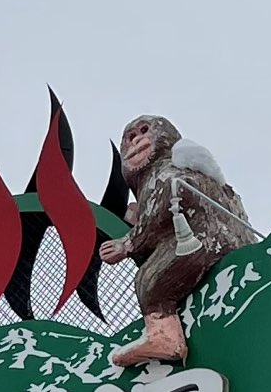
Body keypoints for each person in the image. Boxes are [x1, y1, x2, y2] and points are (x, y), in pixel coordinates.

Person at [99, 115, 256, 369]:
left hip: (201, 241)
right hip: (221, 238)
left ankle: (165, 338)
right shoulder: (182, 173)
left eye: (144, 131)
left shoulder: (164, 174)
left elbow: (158, 215)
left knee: (150, 279)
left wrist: (126, 244)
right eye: (130, 138)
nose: (138, 141)